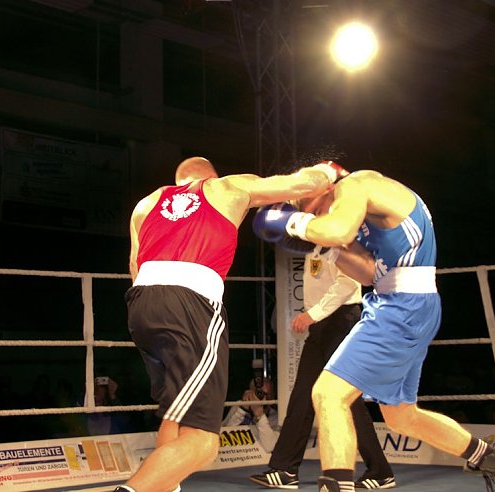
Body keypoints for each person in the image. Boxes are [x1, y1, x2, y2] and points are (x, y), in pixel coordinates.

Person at [253, 167, 495, 492]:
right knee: (402, 417)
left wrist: (294, 224)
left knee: (328, 394)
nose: (302, 208)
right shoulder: (362, 213)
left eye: (305, 202)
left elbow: (338, 229)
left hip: (403, 305)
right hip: (403, 303)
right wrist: (325, 247)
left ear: (325, 184)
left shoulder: (356, 185)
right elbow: (369, 274)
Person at [114, 156, 348, 492]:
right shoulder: (228, 187)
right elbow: (304, 185)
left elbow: (135, 265)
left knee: (174, 414)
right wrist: (330, 170)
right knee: (204, 441)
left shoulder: (147, 204)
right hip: (190, 305)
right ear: (211, 176)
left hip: (141, 307)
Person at [249, 243, 394, 490]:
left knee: (347, 400)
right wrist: (314, 316)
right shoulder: (315, 241)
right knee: (303, 395)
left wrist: (312, 314)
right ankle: (285, 468)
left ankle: (380, 471)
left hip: (341, 320)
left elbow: (348, 283)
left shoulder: (340, 237)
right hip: (322, 326)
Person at [223, 375, 280, 453]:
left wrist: (260, 416)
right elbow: (225, 437)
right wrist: (242, 410)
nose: (264, 399)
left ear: (273, 396)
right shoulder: (239, 405)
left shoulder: (275, 416)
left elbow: (270, 446)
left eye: (268, 395)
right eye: (260, 394)